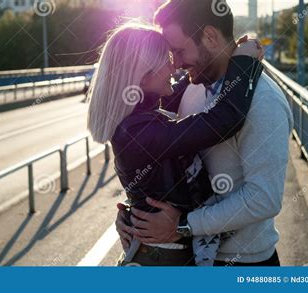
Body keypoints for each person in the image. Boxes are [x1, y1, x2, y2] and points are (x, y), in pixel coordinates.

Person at [115, 0, 294, 266]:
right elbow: (161, 156)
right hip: (193, 258)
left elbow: (263, 198)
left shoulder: (263, 101)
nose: (175, 64)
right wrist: (136, 213)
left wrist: (182, 226)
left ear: (209, 36)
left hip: (242, 263)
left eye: (179, 51)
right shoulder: (194, 86)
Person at [87, 21, 264, 266]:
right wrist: (244, 64)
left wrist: (225, 57)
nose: (174, 67)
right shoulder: (140, 132)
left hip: (161, 254)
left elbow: (187, 83)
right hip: (164, 260)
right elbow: (223, 120)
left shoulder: (138, 118)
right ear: (142, 75)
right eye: (166, 60)